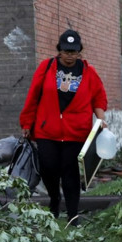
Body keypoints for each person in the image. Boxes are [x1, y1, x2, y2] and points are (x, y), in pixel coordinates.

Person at [19, 29, 108, 223]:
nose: (69, 56)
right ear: (59, 50)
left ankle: (72, 214)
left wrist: (101, 119)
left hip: (76, 132)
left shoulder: (88, 72)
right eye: (66, 51)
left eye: (73, 52)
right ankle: (54, 199)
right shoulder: (46, 67)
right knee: (48, 168)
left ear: (79, 52)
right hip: (47, 129)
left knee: (70, 172)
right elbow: (33, 96)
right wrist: (26, 122)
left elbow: (99, 97)